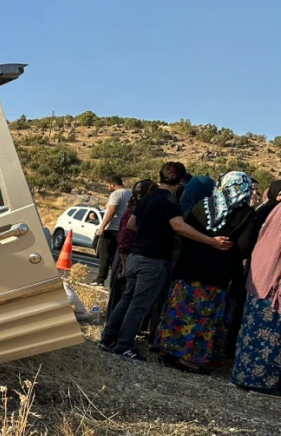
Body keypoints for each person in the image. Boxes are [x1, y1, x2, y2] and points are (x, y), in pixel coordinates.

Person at [99, 162, 232, 360]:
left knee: (127, 299)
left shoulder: (148, 197)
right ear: (180, 181)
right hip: (153, 260)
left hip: (136, 255)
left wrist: (149, 231)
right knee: (139, 305)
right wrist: (211, 241)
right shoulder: (170, 201)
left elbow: (131, 224)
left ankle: (107, 338)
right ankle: (124, 345)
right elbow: (179, 226)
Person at [155, 172, 256, 372]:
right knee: (203, 316)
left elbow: (186, 231)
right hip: (217, 275)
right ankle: (190, 359)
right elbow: (244, 247)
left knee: (181, 309)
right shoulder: (246, 213)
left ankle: (168, 351)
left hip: (187, 268)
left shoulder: (202, 204)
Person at [232, 188, 281, 394]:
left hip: (259, 278)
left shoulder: (277, 209)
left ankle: (243, 376)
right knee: (270, 336)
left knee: (252, 331)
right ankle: (263, 383)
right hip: (273, 284)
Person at [106, 179, 154, 314]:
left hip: (126, 259)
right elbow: (125, 241)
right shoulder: (136, 212)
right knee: (123, 298)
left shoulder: (134, 210)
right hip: (126, 260)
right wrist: (125, 267)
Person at [93, 175, 130, 286]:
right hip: (122, 229)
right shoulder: (129, 193)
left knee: (104, 255)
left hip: (112, 228)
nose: (108, 187)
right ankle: (115, 281)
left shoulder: (116, 194)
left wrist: (102, 227)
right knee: (115, 257)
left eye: (109, 185)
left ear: (113, 185)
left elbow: (112, 211)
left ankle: (100, 280)